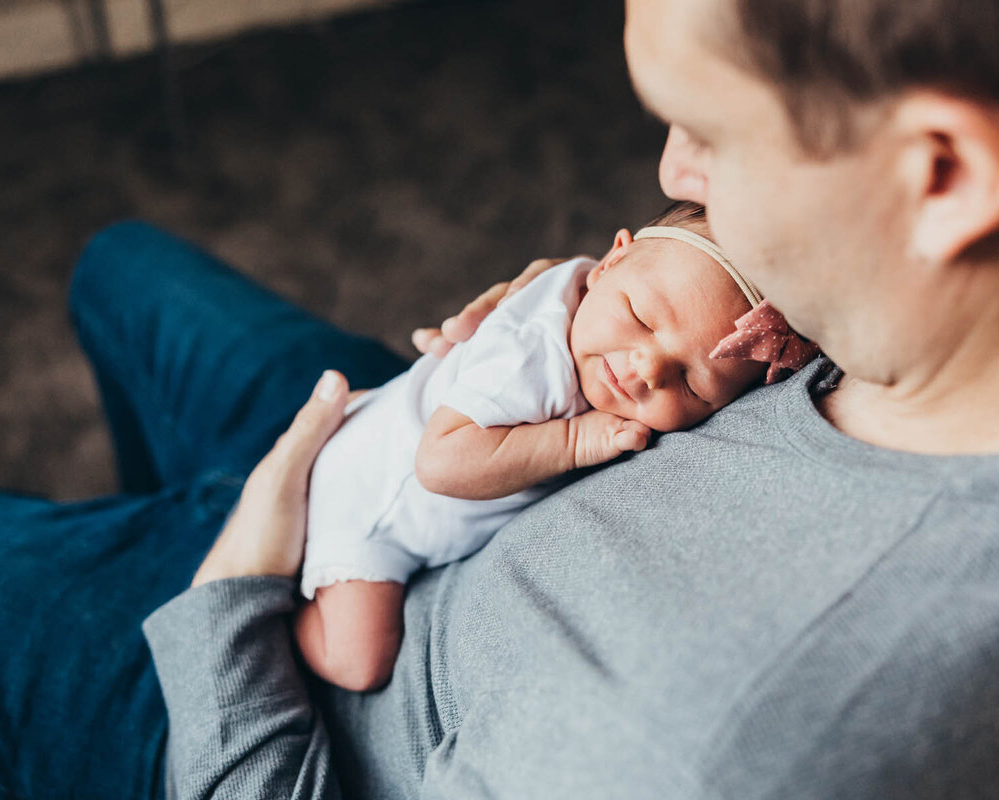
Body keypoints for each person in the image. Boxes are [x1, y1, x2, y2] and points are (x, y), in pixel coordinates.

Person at [0, 0, 999, 797]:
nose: (670, 173)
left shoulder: (701, 739)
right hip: (390, 430)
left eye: (705, 130)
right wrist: (567, 319)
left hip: (255, 679)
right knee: (119, 266)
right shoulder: (987, 313)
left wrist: (229, 590)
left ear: (943, 176)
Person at [296, 202, 814, 693]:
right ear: (610, 262)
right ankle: (287, 607)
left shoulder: (603, 290)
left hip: (385, 441)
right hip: (368, 501)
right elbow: (438, 463)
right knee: (359, 662)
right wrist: (572, 440)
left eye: (692, 384)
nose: (647, 369)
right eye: (640, 317)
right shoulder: (531, 357)